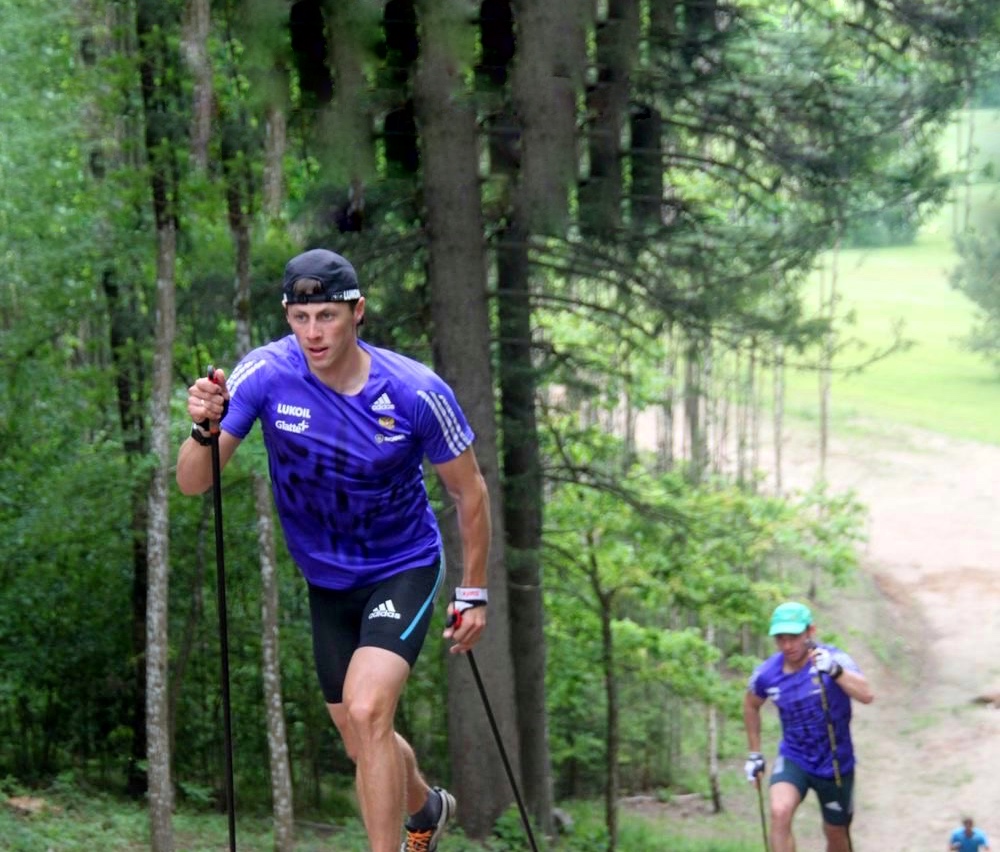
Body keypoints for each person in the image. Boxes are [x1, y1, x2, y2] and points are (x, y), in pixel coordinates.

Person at [176, 248, 491, 852]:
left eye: (327, 315)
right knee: (358, 736)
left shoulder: (414, 393)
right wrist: (202, 427)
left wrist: (472, 593)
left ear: (357, 312)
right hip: (328, 583)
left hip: (403, 566)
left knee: (371, 712)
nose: (313, 333)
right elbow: (194, 481)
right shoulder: (264, 375)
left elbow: (469, 492)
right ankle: (424, 807)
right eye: (300, 317)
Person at [743, 601, 874, 852]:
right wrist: (755, 753)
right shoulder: (767, 673)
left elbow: (867, 695)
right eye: (780, 639)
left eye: (794, 637)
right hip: (795, 757)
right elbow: (750, 705)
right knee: (779, 811)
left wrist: (835, 672)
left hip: (835, 763)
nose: (787, 645)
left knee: (836, 834)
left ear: (810, 632)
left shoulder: (833, 659)